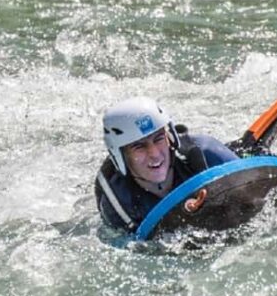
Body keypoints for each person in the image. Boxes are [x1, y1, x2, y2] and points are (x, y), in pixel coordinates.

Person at [95, 97, 261, 232]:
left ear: (170, 137)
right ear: (121, 155)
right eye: (139, 146)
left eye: (159, 139)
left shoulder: (207, 154)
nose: (154, 154)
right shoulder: (117, 203)